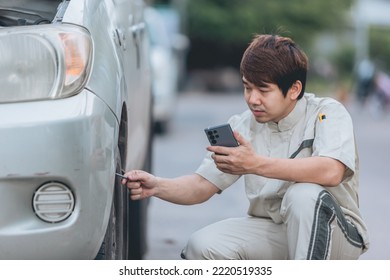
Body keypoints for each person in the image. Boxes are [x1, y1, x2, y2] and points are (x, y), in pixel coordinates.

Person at [123, 34, 369, 260]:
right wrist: (157, 186)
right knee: (203, 246)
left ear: (294, 89)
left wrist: (255, 164)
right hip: (276, 230)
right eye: (247, 87)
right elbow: (201, 186)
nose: (252, 99)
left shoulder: (327, 113)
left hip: (336, 233)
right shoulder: (242, 126)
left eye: (263, 90)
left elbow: (331, 171)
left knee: (303, 196)